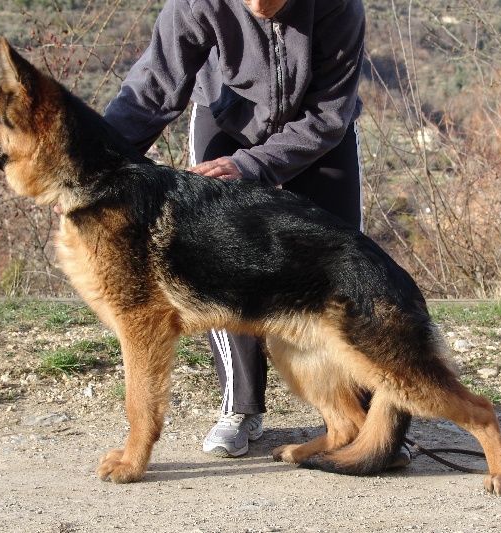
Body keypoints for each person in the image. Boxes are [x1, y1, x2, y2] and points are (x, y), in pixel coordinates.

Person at [103, 0, 368, 458]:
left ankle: (364, 415)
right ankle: (241, 407)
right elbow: (151, 90)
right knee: (215, 262)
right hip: (225, 116)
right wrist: (93, 163)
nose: (261, 7)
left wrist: (252, 167)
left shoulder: (338, 4)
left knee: (345, 268)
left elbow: (328, 115)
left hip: (318, 126)